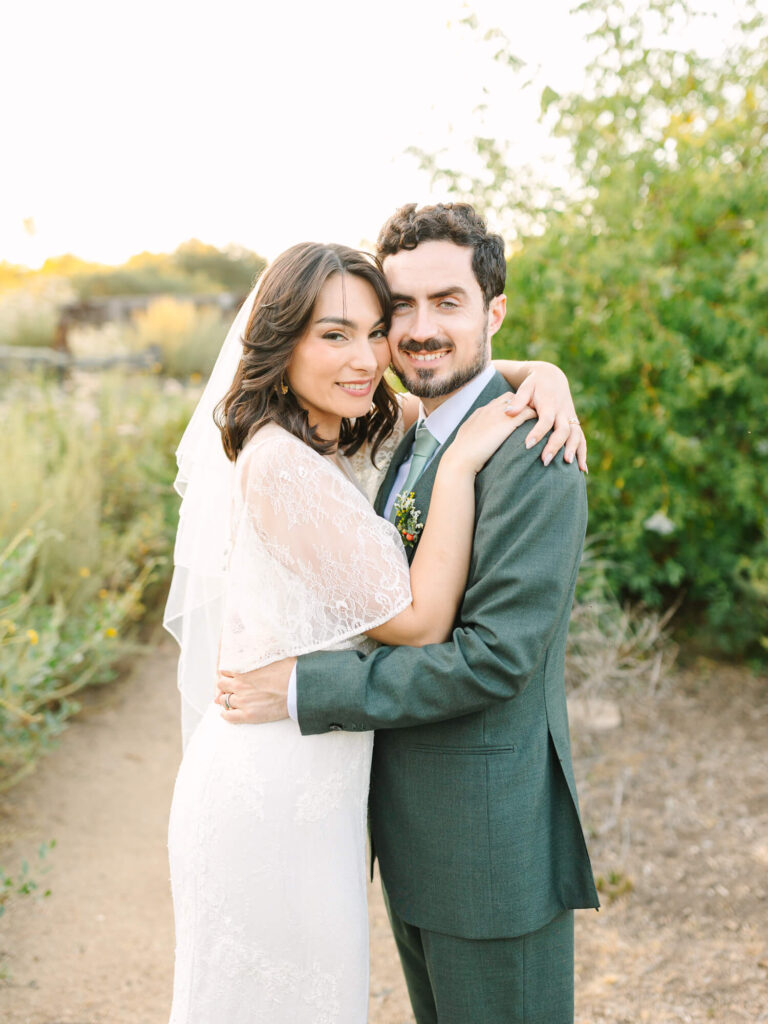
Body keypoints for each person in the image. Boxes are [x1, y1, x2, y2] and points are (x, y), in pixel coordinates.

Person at [165, 234, 584, 1024]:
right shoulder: (285, 462)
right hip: (274, 779)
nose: (369, 354)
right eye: (335, 333)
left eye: (371, 330)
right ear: (280, 341)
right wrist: (459, 467)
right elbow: (421, 623)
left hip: (335, 788)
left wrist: (549, 377)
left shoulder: (364, 431)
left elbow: (470, 378)